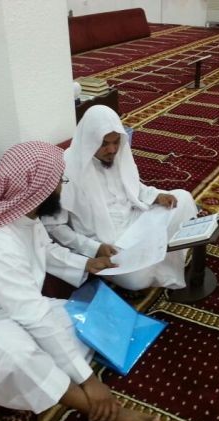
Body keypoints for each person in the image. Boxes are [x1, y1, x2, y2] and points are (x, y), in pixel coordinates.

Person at [0, 141, 160, 421]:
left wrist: (86, 263)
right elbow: (34, 315)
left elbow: (45, 250)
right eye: (58, 181)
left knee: (78, 322)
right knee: (13, 348)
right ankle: (116, 418)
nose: (61, 188)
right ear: (39, 188)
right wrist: (90, 382)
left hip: (5, 311)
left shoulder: (23, 219)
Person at [44, 105, 198, 291]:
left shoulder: (117, 154)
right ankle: (160, 255)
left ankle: (155, 255)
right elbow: (54, 227)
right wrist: (93, 248)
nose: (112, 149)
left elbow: (132, 185)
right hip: (109, 244)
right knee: (137, 280)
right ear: (89, 141)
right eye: (104, 144)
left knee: (182, 198)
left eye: (116, 142)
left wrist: (155, 195)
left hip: (135, 220)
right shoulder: (66, 169)